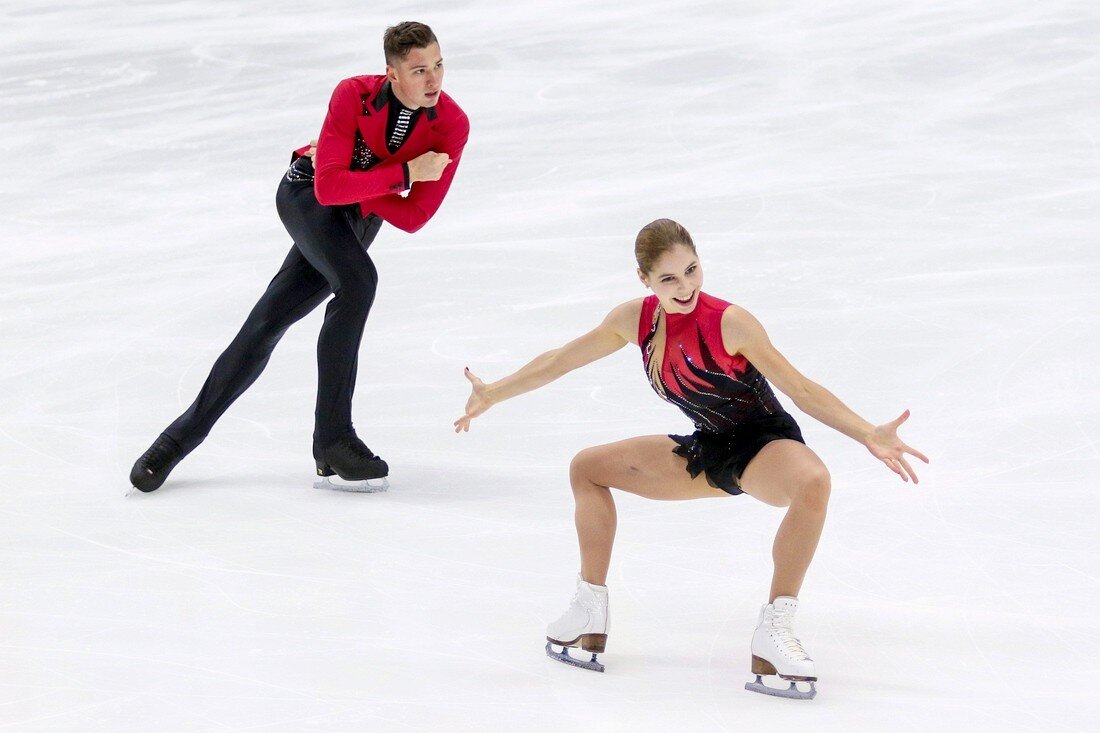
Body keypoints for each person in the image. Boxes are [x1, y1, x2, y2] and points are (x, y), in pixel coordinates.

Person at [454, 218, 928, 698]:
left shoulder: (729, 321)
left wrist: (869, 432)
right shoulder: (633, 319)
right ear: (645, 280)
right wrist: (494, 392)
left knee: (813, 482)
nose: (686, 287)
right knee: (587, 468)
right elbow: (561, 359)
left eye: (692, 270)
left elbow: (800, 389)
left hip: (762, 444)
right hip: (708, 445)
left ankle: (775, 629)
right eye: (669, 279)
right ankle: (589, 609)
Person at [130, 21, 469, 492]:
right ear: (392, 73)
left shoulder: (451, 123)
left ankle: (175, 439)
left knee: (268, 321)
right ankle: (334, 438)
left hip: (357, 217)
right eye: (419, 70)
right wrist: (404, 171)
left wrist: (364, 186)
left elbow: (414, 217)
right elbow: (327, 187)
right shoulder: (353, 94)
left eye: (438, 65)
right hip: (305, 195)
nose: (433, 81)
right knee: (358, 282)